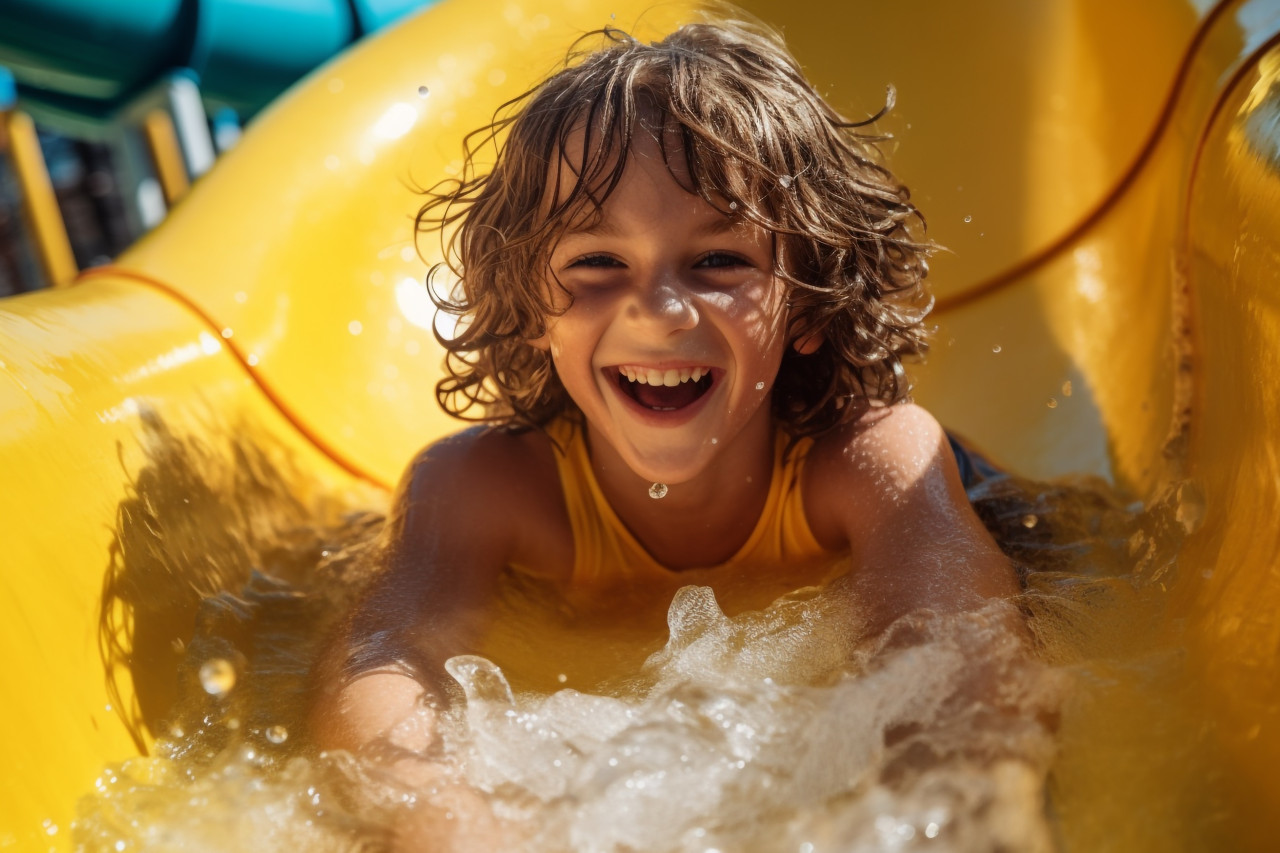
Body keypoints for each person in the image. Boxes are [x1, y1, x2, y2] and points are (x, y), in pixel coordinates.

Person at [310, 14, 1023, 840]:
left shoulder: (870, 459)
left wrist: (920, 810)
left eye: (718, 261)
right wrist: (448, 816)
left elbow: (960, 661)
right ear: (528, 304)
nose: (658, 309)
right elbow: (383, 661)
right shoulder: (483, 489)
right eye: (596, 263)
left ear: (810, 300)